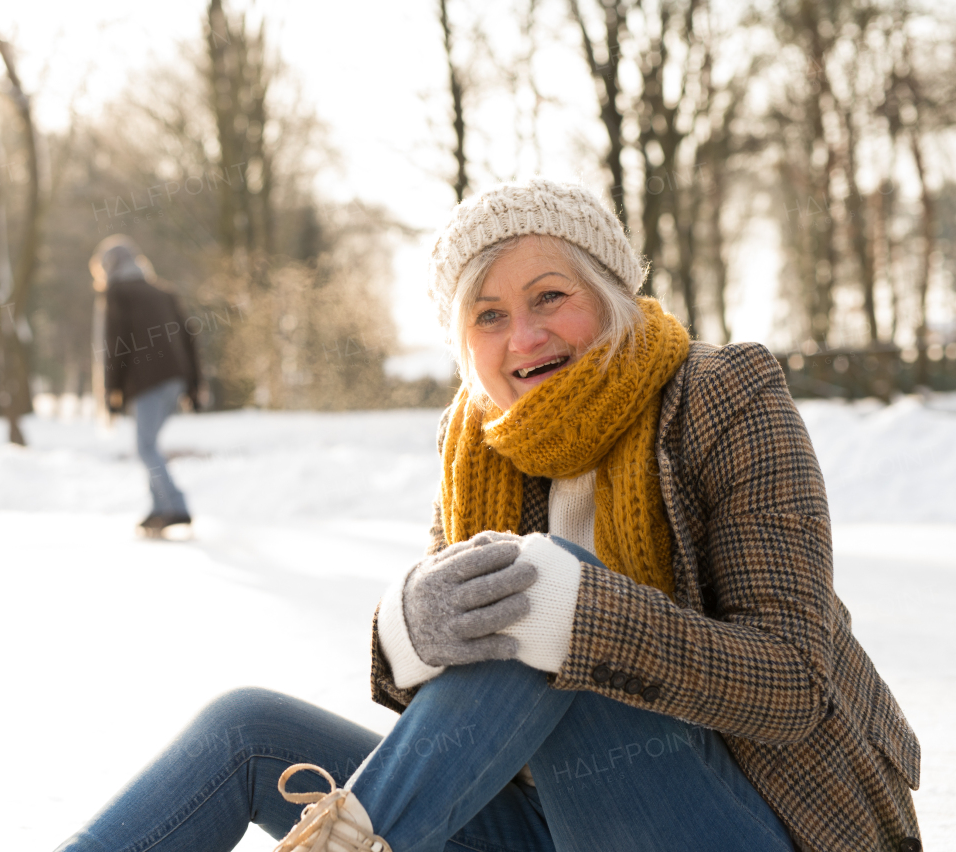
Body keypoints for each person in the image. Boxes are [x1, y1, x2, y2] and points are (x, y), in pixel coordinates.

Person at [56, 181, 922, 852]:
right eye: (490, 315)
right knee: (245, 728)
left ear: (612, 295)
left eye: (551, 297)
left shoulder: (721, 396)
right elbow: (459, 720)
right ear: (465, 345)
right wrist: (404, 631)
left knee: (540, 591)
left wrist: (583, 616)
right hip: (547, 825)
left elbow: (795, 682)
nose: (525, 337)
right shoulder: (475, 443)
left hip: (737, 819)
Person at [90, 235, 201, 535]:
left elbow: (116, 345)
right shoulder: (163, 291)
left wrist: (112, 391)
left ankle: (175, 506)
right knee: (148, 444)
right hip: (175, 379)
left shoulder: (118, 293)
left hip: (148, 381)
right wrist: (193, 386)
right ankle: (159, 508)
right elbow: (189, 337)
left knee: (145, 446)